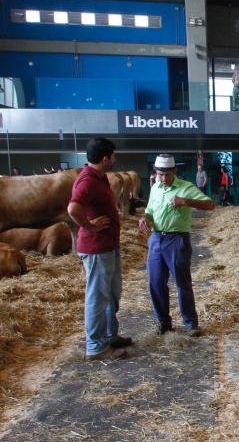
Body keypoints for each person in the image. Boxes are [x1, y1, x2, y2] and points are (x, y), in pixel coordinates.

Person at [68, 137, 131, 360]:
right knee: (97, 296)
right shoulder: (86, 180)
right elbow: (73, 209)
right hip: (96, 248)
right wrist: (90, 226)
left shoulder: (99, 177)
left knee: (111, 294)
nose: (115, 159)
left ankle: (109, 335)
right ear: (106, 158)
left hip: (107, 246)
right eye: (113, 155)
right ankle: (96, 347)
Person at [139, 154, 215, 336]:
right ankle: (163, 322)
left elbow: (210, 205)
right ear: (155, 173)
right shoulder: (155, 188)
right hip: (156, 239)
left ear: (175, 172)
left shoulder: (185, 188)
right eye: (160, 174)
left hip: (177, 239)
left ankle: (190, 323)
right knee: (155, 282)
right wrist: (145, 219)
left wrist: (186, 201)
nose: (164, 178)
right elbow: (149, 211)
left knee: (182, 283)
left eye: (167, 174)